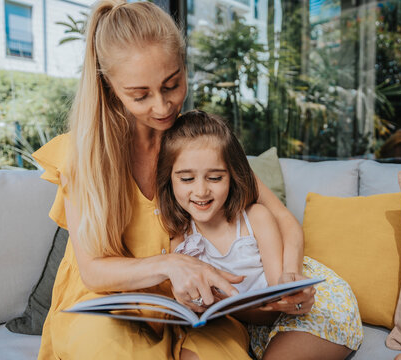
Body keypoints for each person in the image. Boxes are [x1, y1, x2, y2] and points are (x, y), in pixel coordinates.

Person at [31, 1, 360, 359]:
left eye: (172, 84)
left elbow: (282, 219)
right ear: (109, 86)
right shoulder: (85, 154)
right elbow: (93, 272)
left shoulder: (195, 143)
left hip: (195, 314)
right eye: (139, 95)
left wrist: (289, 280)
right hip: (109, 309)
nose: (162, 106)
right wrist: (173, 264)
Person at [156, 110, 363, 360]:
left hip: (310, 307)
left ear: (232, 177)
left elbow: (279, 298)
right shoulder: (182, 242)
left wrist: (286, 287)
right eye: (187, 178)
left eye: (215, 177)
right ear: (170, 179)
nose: (201, 190)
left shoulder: (256, 218)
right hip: (262, 327)